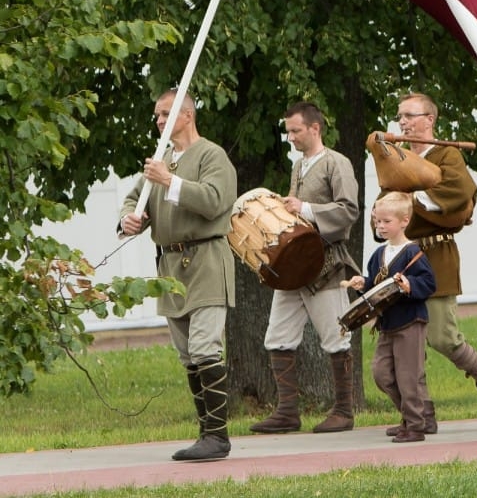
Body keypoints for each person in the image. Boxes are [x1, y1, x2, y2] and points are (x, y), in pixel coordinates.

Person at [118, 89, 237, 462]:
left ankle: (217, 436)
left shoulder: (211, 155)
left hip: (205, 259)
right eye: (155, 114)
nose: (158, 120)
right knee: (188, 354)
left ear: (186, 116)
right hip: (169, 266)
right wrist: (129, 219)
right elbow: (133, 198)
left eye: (165, 113)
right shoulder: (161, 160)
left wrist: (170, 181)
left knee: (205, 347)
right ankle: (206, 433)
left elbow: (215, 201)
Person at [393, 92, 477, 432]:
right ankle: (421, 414)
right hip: (403, 256)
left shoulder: (447, 154)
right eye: (400, 116)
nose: (403, 122)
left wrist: (411, 201)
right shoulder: (398, 157)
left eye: (410, 115)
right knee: (408, 339)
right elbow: (392, 205)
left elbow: (460, 195)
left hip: (436, 255)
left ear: (429, 119)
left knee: (442, 335)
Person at [250, 102, 361, 434]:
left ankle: (344, 410)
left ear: (315, 128)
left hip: (326, 264)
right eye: (288, 131)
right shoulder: (299, 166)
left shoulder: (336, 163)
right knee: (278, 336)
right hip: (294, 267)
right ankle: (287, 413)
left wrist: (307, 208)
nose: (291, 137)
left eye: (295, 130)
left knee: (336, 337)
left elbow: (349, 211)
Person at [348, 192, 437, 442]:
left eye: (387, 221)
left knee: (409, 376)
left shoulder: (413, 253)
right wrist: (363, 283)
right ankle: (409, 416)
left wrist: (411, 285)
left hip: (411, 321)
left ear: (404, 221)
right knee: (381, 372)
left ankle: (416, 426)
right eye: (378, 221)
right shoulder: (378, 255)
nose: (381, 226)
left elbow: (429, 283)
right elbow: (377, 285)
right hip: (387, 323)